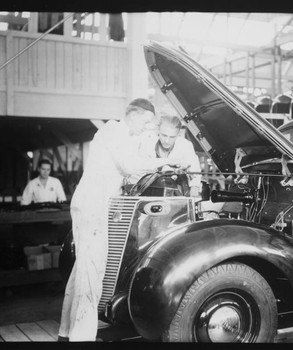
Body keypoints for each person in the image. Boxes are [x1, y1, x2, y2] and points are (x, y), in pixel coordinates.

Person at [58, 98, 186, 342]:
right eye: (147, 122)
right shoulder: (113, 130)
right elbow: (129, 166)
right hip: (93, 203)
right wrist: (164, 162)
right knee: (93, 271)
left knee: (82, 271)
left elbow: (128, 171)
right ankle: (82, 338)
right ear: (135, 115)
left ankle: (66, 334)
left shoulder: (123, 137)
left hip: (98, 204)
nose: (147, 128)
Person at [138, 115, 202, 197]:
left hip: (177, 192)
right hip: (150, 191)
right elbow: (139, 171)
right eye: (164, 135)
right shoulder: (147, 145)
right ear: (158, 130)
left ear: (178, 133)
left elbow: (195, 171)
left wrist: (194, 188)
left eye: (172, 137)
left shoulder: (185, 145)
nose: (167, 141)